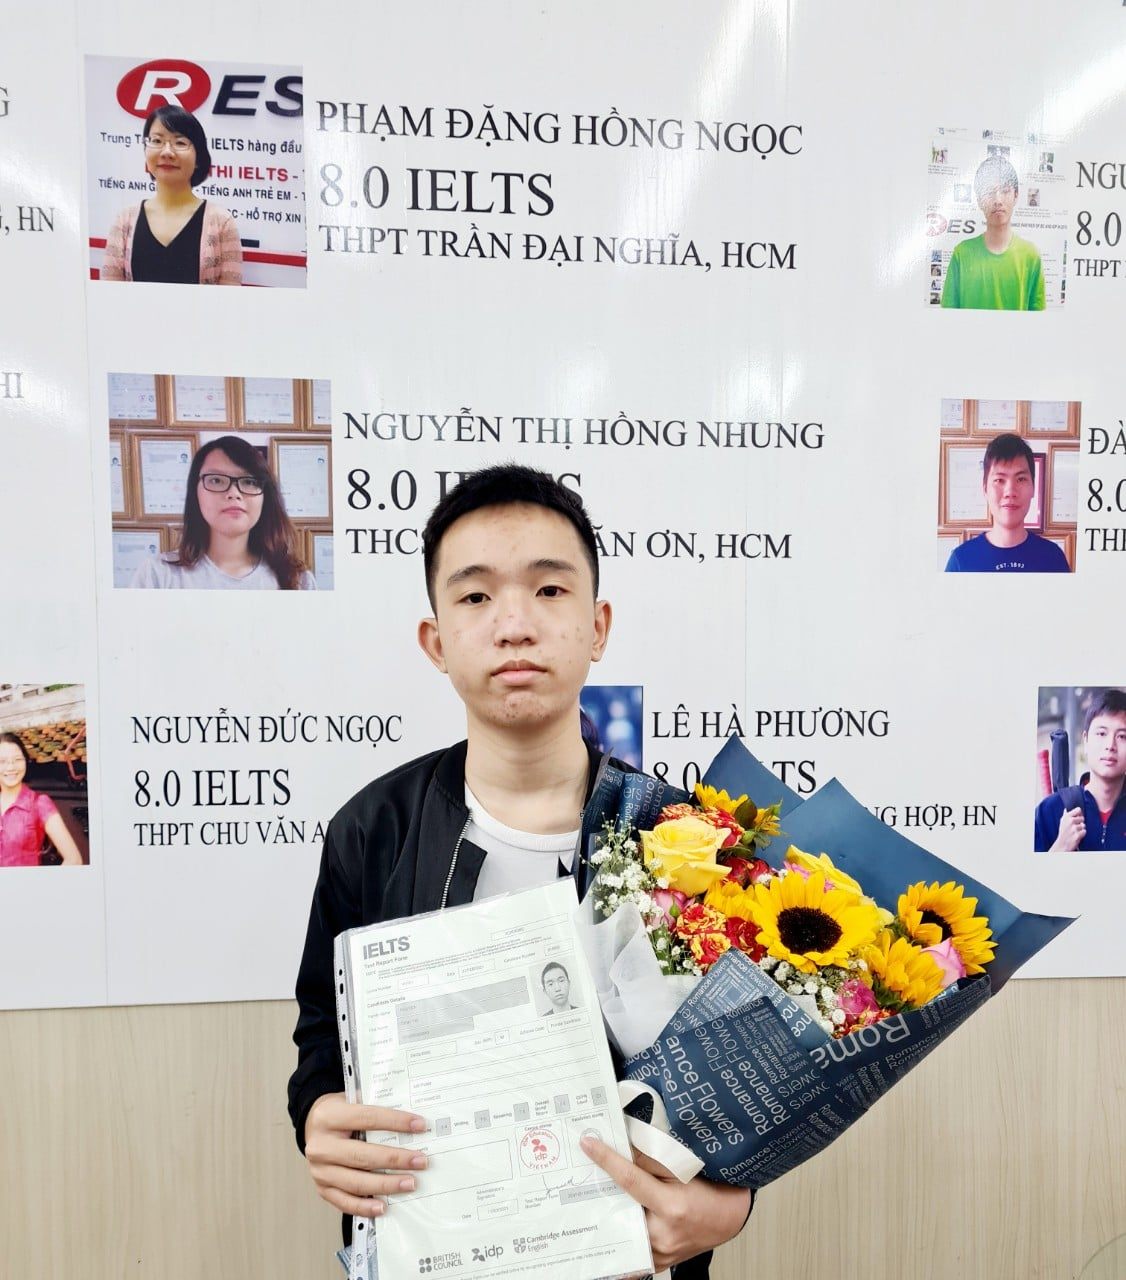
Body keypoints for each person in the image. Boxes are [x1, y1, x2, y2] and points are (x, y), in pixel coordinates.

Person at [288, 466, 752, 1277]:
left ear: (598, 627)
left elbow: (748, 1074)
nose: (514, 624)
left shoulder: (685, 840)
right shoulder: (373, 830)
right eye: (475, 596)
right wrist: (317, 1116)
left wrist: (732, 1204)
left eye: (549, 590)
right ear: (436, 642)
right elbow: (325, 1034)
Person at [131, 435, 315, 589]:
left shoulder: (298, 581)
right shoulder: (156, 576)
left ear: (265, 496)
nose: (234, 493)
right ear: (195, 492)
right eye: (216, 480)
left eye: (249, 482)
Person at [101, 105, 242, 285]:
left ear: (198, 158)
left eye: (180, 143)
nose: (167, 152)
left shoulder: (222, 223)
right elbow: (109, 294)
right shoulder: (124, 221)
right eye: (157, 141)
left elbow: (230, 297)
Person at [945, 434, 1069, 572]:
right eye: (999, 480)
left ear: (1033, 488)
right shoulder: (961, 560)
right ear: (985, 489)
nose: (1010, 492)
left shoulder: (1053, 557)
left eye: (1021, 479)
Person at [941, 155, 1045, 310]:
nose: (998, 200)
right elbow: (947, 316)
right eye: (989, 192)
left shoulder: (1031, 255)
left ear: (1016, 195)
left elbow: (1038, 320)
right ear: (979, 201)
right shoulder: (961, 254)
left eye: (1005, 190)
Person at [1035, 690, 1126, 851]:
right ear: (1086, 741)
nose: (1110, 745)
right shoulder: (1049, 811)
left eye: (1122, 736)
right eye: (1101, 733)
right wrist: (1060, 847)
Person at [0, 732, 83, 867]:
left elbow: (74, 860)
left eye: (17, 759)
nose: (11, 767)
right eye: (2, 761)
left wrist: (42, 882)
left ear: (26, 761)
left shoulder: (39, 803)